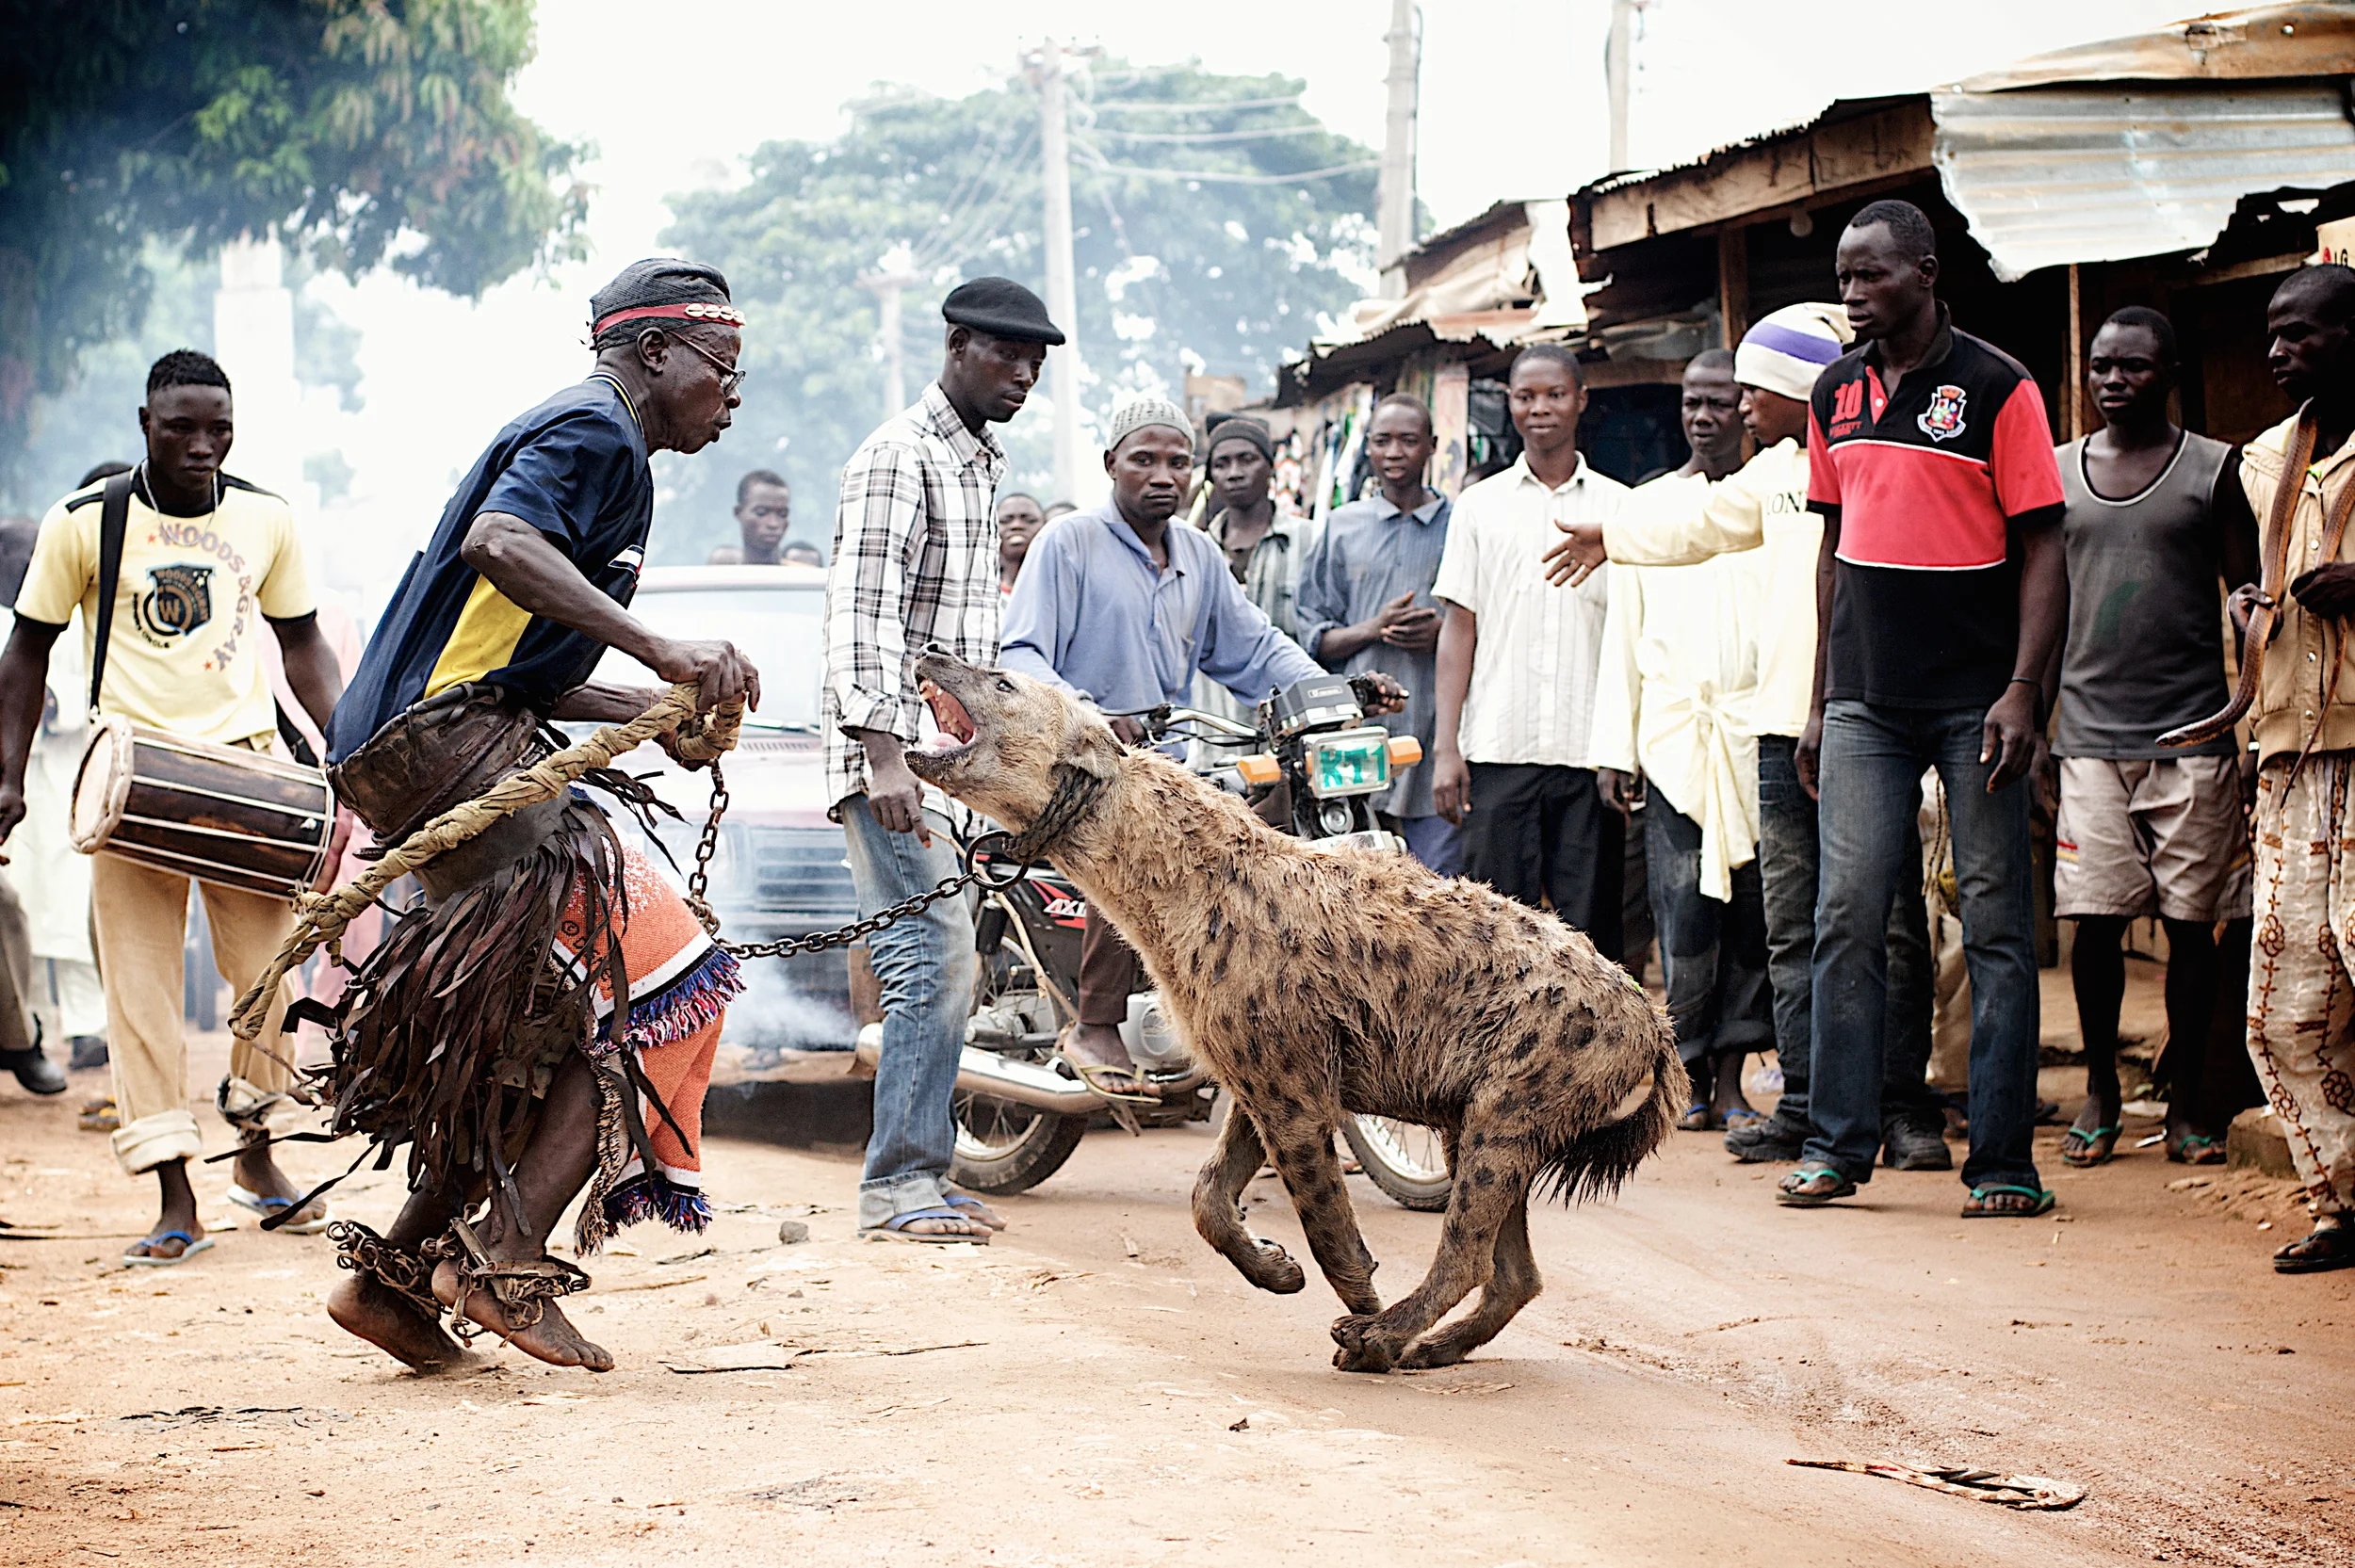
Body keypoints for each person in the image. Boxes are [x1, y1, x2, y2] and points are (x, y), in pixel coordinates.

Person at [319, 258, 758, 1369]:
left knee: (526, 1028)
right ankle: (505, 1257)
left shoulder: (604, 445)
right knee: (672, 977)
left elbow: (520, 664)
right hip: (447, 749)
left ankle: (394, 1288)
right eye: (723, 366)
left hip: (438, 744)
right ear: (654, 352)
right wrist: (661, 646)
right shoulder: (593, 431)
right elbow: (499, 547)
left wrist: (647, 706)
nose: (733, 393)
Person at [1544, 304, 1950, 1168]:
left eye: (1755, 392)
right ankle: (1805, 1101)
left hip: (1868, 720)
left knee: (1891, 921)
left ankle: (1904, 1105)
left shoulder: (1869, 460)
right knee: (1794, 929)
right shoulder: (1767, 478)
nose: (1739, 408)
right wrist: (1611, 534)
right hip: (1773, 729)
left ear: (1794, 393)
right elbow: (1693, 524)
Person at [0, 349, 344, 1259]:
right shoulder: (84, 524)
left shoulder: (265, 517)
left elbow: (303, 642)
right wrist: (6, 777)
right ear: (144, 423)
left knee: (269, 977)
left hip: (245, 778)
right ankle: (175, 1194)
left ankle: (258, 1156)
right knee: (141, 999)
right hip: (130, 780)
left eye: (218, 429)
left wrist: (350, 747)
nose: (202, 445)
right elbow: (26, 654)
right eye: (181, 427)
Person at [1778, 200, 2066, 1216]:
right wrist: (1818, 699)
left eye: (1870, 276)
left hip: (1975, 699)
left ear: (1926, 273)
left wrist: (2024, 692)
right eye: (1844, 279)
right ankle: (1835, 1144)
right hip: (1863, 699)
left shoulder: (1998, 385)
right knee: (1844, 913)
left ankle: (2001, 1161)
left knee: (1993, 924)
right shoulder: (1834, 391)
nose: (1852, 295)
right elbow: (1831, 549)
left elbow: (2043, 546)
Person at [1001, 397, 1385, 1091]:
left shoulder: (1199, 555)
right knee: (1136, 847)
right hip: (1075, 764)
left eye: (1178, 462)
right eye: (1144, 459)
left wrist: (1335, 693)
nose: (1162, 475)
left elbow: (1255, 647)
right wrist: (1087, 715)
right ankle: (1094, 1023)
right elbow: (1022, 650)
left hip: (1169, 759)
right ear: (1111, 463)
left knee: (1257, 845)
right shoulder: (1069, 543)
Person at [826, 275, 1059, 1245]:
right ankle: (897, 1188)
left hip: (949, 766)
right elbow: (861, 617)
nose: (1023, 375)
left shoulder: (977, 464)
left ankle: (917, 1175)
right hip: (895, 766)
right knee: (932, 962)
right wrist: (883, 757)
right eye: (1006, 355)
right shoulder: (900, 457)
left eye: (1036, 362)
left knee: (946, 963)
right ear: (958, 346)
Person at [2051, 306, 2259, 1169]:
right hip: (2089, 734)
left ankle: (2185, 1105)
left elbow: (2250, 596)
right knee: (2093, 922)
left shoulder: (2214, 472)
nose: (2111, 380)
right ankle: (2100, 1090)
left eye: (2132, 367)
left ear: (2168, 372)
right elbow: (2035, 603)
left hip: (2194, 735)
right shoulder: (2056, 472)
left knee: (2190, 923)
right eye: (2100, 366)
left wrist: (2249, 726)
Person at [1588, 351, 1773, 1132]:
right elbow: (1622, 636)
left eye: (1719, 403)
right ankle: (1687, 1069)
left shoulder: (1769, 502)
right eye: (1692, 403)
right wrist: (1615, 746)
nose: (1703, 417)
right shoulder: (1646, 510)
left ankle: (1734, 1073)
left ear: (1747, 411)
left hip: (1752, 732)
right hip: (1671, 740)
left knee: (1754, 915)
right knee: (1682, 914)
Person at [2228, 263, 2355, 1271]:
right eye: (2273, 334)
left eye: (2300, 334)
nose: (2277, 352)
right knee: (2283, 1007)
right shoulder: (2267, 460)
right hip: (2291, 757)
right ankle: (2341, 1201)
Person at [1428, 344, 1628, 954]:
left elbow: (1630, 634)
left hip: (1590, 755)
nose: (1539, 409)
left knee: (1590, 943)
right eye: (1525, 396)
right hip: (1497, 750)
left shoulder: (1620, 508)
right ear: (1510, 404)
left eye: (1554, 394)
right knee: (1494, 941)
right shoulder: (1479, 507)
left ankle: (1593, 1054)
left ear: (1580, 400)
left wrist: (1626, 746)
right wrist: (1446, 748)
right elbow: (1459, 626)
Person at [1296, 393, 1458, 875]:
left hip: (1438, 733)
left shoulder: (1460, 526)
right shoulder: (1343, 527)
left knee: (1440, 888)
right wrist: (1374, 628)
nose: (1393, 453)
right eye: (1382, 441)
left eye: (1408, 441)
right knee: (1361, 890)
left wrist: (1444, 635)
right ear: (1366, 447)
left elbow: (1488, 626)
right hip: (1355, 737)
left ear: (1431, 447)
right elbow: (1312, 639)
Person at [728, 469, 792, 564]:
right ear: (738, 512)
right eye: (761, 513)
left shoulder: (806, 577)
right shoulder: (718, 576)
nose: (773, 524)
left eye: (782, 514)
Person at [996, 492, 1044, 592]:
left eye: (1030, 520)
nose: (1016, 525)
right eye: (1005, 521)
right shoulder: (980, 588)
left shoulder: (1058, 586)